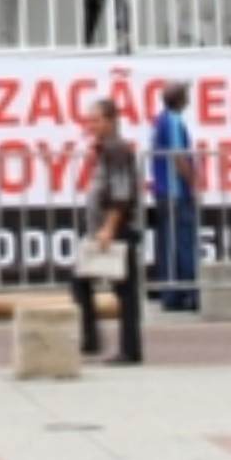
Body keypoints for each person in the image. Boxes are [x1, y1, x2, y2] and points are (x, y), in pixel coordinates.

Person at [71, 98, 144, 365]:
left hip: (116, 229)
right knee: (81, 281)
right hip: (103, 228)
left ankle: (129, 349)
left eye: (97, 120)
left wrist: (109, 228)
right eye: (90, 121)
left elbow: (121, 194)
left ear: (112, 120)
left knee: (124, 292)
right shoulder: (106, 150)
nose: (92, 126)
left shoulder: (116, 150)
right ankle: (92, 339)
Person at [148, 81, 199, 313]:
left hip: (162, 191)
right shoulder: (174, 121)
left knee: (168, 244)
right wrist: (193, 183)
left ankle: (171, 294)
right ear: (179, 98)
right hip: (176, 192)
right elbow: (179, 158)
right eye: (186, 94)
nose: (189, 97)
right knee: (184, 243)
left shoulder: (160, 121)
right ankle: (190, 292)